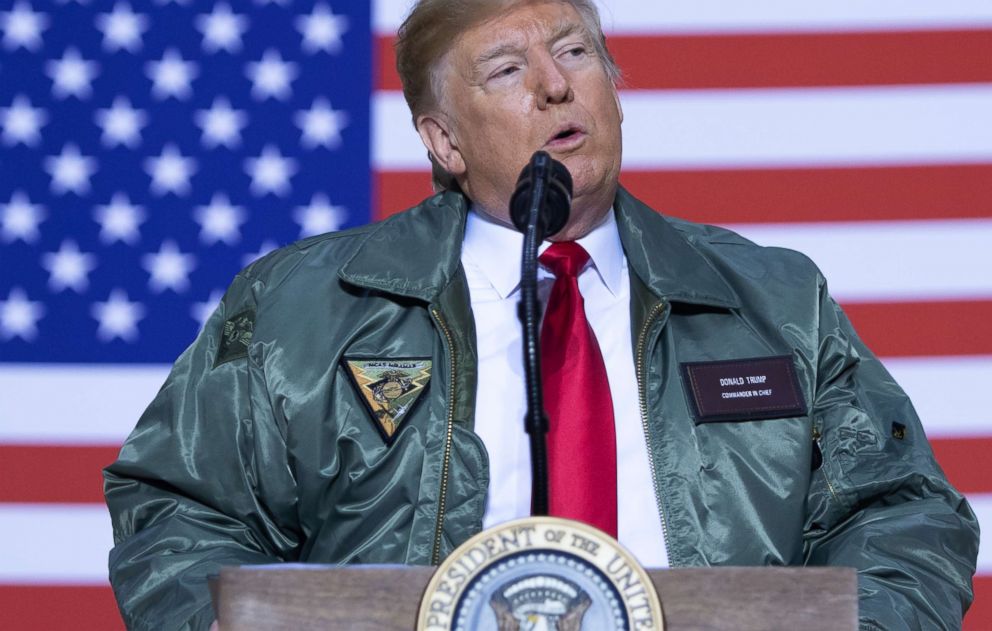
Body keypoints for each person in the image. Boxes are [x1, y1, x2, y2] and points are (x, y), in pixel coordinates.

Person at [103, 1, 980, 629]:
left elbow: (902, 510)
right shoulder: (302, 307)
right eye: (508, 69)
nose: (556, 86)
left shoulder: (776, 302)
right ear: (443, 140)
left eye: (576, 51)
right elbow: (181, 508)